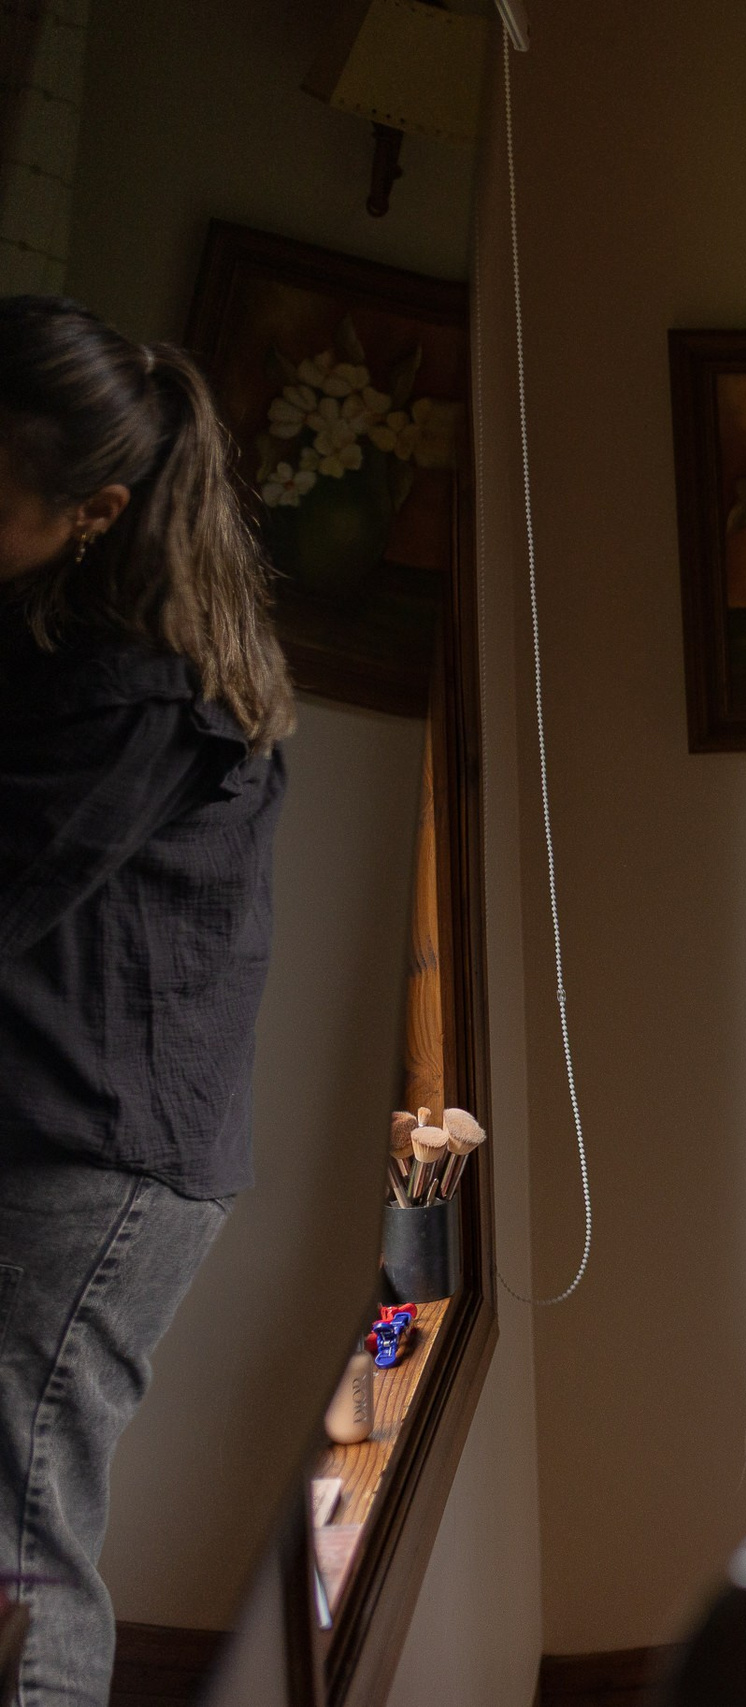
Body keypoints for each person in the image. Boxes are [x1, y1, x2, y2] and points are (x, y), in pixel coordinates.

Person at [0, 297, 294, 1707]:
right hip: (75, 1138)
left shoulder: (135, 687)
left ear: (92, 509)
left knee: (16, 1539)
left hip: (88, 1159)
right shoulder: (73, 646)